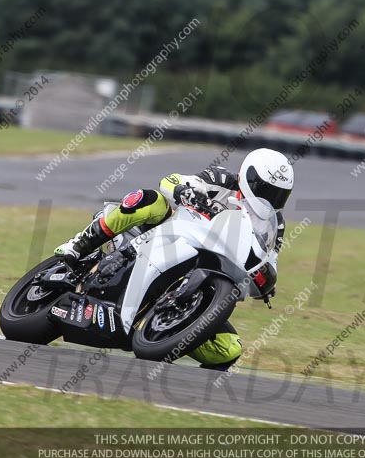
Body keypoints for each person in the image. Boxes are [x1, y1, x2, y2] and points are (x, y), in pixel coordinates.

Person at [54, 148, 294, 369]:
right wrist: (185, 190)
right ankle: (78, 245)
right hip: (168, 235)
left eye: (279, 195)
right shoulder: (222, 180)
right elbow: (171, 180)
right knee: (150, 200)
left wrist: (267, 282)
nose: (271, 199)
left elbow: (269, 257)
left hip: (211, 268)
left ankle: (183, 377)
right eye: (267, 190)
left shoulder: (275, 224)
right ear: (250, 179)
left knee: (228, 349)